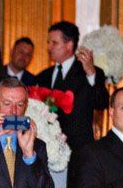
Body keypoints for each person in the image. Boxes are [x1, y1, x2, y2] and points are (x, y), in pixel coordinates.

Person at [42, 21, 108, 155]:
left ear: (69, 44)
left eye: (54, 43)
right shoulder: (43, 76)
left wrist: (91, 74)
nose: (49, 47)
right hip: (48, 148)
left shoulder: (90, 72)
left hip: (79, 149)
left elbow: (102, 103)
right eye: (48, 42)